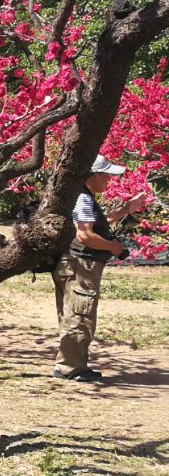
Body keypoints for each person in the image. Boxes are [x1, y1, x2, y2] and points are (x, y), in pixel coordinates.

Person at [52, 156, 150, 382]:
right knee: (80, 314)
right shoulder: (83, 199)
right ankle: (70, 367)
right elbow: (85, 235)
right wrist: (113, 247)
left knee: (75, 313)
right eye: (106, 175)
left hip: (75, 265)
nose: (109, 180)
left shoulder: (82, 198)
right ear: (94, 176)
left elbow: (95, 223)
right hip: (81, 265)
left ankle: (71, 364)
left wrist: (126, 209)